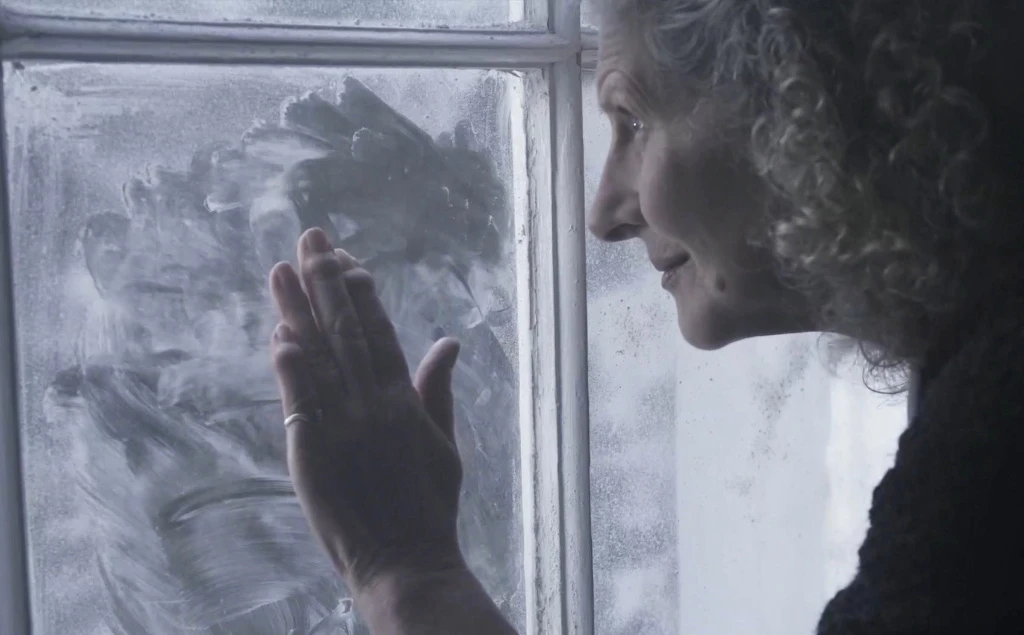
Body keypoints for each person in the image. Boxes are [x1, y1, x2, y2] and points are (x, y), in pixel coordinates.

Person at [267, 0, 1024, 632]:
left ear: (804, 90)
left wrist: (404, 572)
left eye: (631, 120)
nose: (602, 213)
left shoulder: (988, 449)